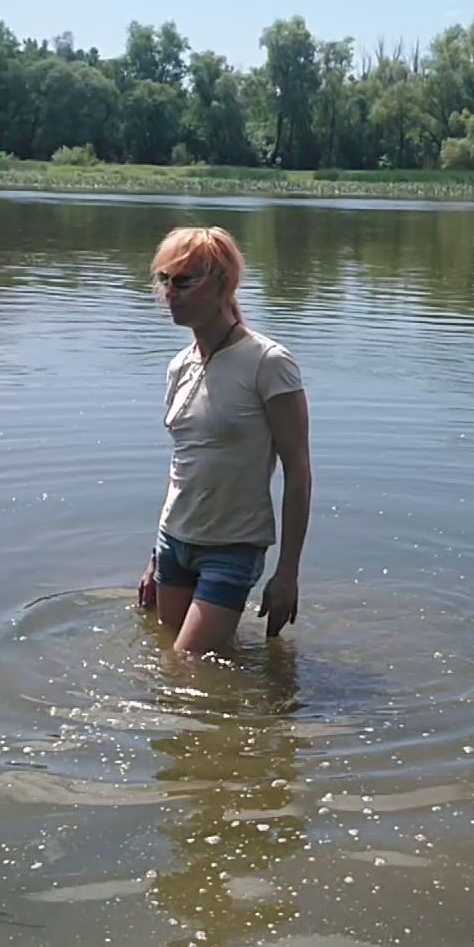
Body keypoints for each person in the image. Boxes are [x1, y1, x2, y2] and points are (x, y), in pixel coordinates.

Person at [136, 226, 312, 655]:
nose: (170, 293)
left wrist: (287, 572)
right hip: (175, 542)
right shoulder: (180, 366)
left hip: (233, 546)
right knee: (184, 666)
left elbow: (298, 470)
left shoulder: (267, 363)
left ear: (222, 284)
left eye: (183, 281)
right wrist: (155, 557)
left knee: (186, 663)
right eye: (165, 281)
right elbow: (184, 465)